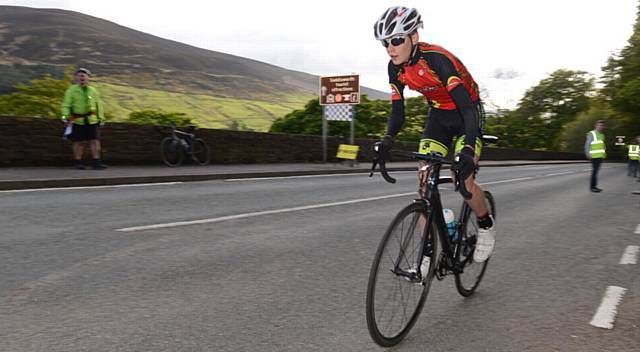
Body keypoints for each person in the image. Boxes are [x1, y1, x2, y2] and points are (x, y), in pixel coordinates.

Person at [373, 6, 495, 263]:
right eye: (386, 42)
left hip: (467, 113)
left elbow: (466, 109)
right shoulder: (395, 68)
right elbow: (398, 113)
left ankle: (485, 224)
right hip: (438, 116)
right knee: (424, 184)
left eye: (397, 40)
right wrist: (387, 140)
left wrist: (468, 151)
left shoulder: (437, 59)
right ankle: (427, 253)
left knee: (463, 182)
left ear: (413, 37)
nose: (391, 48)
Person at [61, 68, 107, 169]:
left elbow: (98, 105)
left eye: (84, 75)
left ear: (88, 78)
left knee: (94, 141)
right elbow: (66, 105)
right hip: (78, 120)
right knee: (78, 142)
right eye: (79, 75)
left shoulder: (93, 90)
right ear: (76, 78)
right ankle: (78, 162)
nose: (82, 77)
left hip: (92, 119)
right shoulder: (71, 90)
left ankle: (96, 162)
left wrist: (101, 118)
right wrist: (65, 117)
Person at [585, 120, 606, 192]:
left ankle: (594, 187)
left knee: (596, 171)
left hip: (600, 156)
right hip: (594, 156)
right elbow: (587, 145)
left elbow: (602, 145)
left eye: (602, 126)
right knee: (594, 171)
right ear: (596, 126)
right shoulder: (591, 133)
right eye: (599, 125)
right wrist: (588, 154)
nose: (601, 127)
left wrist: (604, 154)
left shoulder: (602, 135)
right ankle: (592, 187)